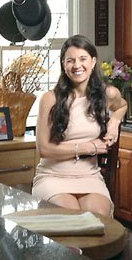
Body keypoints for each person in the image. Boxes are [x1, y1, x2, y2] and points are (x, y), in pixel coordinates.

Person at [32, 35, 127, 217]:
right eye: (70, 60)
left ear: (92, 62)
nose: (77, 65)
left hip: (89, 176)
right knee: (71, 215)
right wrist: (88, 147)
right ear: (63, 65)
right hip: (53, 176)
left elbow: (122, 106)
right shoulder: (50, 99)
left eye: (83, 59)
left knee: (98, 214)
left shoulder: (108, 94)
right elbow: (44, 149)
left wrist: (114, 122)